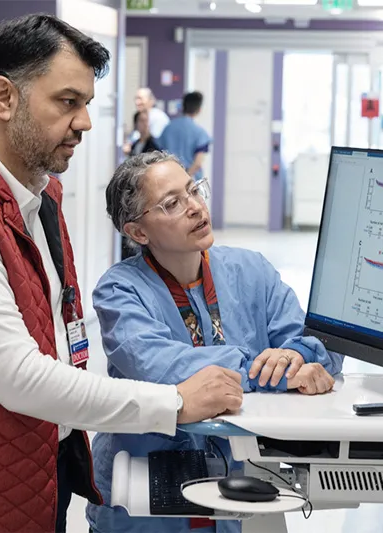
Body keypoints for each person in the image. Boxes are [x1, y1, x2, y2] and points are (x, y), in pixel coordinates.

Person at [0, 15, 243, 533]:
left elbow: (53, 329)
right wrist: (173, 402)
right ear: (4, 98)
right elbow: (18, 375)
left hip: (28, 466)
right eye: (67, 102)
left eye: (87, 105)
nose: (85, 123)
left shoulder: (38, 192)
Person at [86, 152, 344, 533]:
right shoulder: (119, 291)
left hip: (242, 489)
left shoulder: (250, 270)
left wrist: (295, 356)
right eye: (172, 203)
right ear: (138, 233)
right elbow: (160, 365)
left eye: (194, 190)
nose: (195, 207)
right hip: (145, 500)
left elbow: (316, 340)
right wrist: (271, 372)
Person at [158, 91, 210, 181]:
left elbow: (159, 154)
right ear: (199, 110)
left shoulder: (168, 128)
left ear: (182, 107)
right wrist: (185, 179)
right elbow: (197, 163)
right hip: (190, 181)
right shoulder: (200, 132)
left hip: (169, 178)